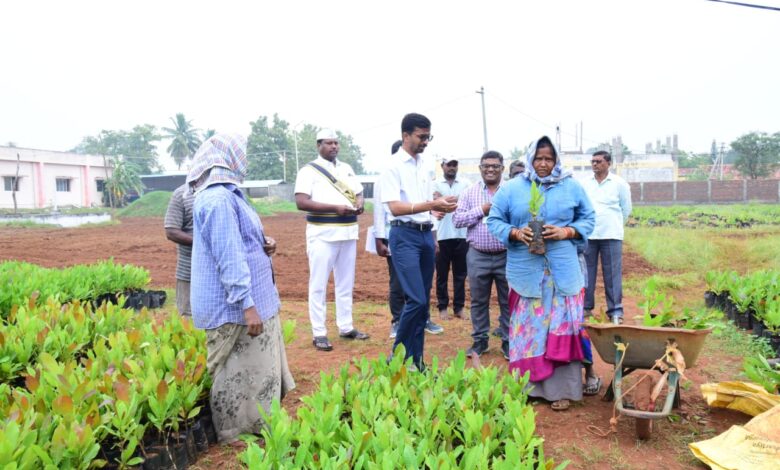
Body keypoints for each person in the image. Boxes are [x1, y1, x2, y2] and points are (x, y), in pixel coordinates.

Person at [187, 133, 294, 446]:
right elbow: (229, 257)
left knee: (257, 369)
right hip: (234, 306)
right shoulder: (217, 199)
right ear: (226, 158)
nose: (244, 159)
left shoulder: (228, 195)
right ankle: (233, 431)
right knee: (236, 372)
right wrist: (247, 305)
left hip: (253, 300)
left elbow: (242, 242)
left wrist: (265, 244)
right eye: (241, 153)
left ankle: (257, 423)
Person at [487, 135, 594, 411]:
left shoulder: (571, 186)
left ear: (556, 160)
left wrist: (567, 231)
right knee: (530, 330)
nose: (544, 164)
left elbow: (589, 218)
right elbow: (494, 219)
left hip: (563, 272)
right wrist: (514, 232)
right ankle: (528, 388)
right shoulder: (511, 189)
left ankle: (562, 390)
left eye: (549, 158)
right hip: (527, 274)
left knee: (561, 326)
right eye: (539, 158)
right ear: (530, 159)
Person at [379, 113, 457, 370]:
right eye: (422, 137)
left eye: (428, 136)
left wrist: (438, 211)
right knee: (416, 300)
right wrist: (431, 204)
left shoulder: (426, 164)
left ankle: (416, 360)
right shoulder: (392, 166)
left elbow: (427, 203)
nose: (426, 141)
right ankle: (397, 356)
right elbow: (396, 208)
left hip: (424, 235)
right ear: (406, 135)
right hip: (404, 236)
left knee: (422, 303)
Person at [294, 128, 369, 352]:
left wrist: (360, 202)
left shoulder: (346, 168)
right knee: (318, 285)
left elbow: (358, 192)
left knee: (345, 283)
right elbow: (301, 202)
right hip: (322, 234)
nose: (334, 146)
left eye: (336, 143)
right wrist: (335, 208)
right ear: (319, 145)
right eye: (329, 143)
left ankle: (346, 327)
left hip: (347, 232)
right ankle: (319, 332)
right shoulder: (308, 171)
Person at [453, 150, 510, 360]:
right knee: (478, 300)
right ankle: (480, 341)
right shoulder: (470, 193)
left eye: (495, 166)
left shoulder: (510, 191)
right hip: (478, 254)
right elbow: (457, 220)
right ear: (480, 168)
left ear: (502, 168)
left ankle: (508, 341)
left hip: (507, 255)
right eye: (486, 166)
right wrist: (481, 210)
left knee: (507, 300)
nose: (491, 169)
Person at [581, 150, 633, 323]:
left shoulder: (619, 184)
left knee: (612, 274)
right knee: (586, 273)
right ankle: (586, 308)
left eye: (599, 161)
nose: (595, 164)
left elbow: (626, 209)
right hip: (589, 235)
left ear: (608, 163)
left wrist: (615, 223)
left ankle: (615, 311)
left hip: (611, 234)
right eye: (593, 161)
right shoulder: (585, 183)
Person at [373, 140, 406, 338]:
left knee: (419, 282)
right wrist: (379, 238)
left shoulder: (417, 174)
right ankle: (397, 320)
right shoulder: (385, 176)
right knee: (397, 281)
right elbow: (378, 210)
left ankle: (422, 318)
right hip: (393, 235)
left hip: (418, 235)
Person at [432, 158, 469, 322]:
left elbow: (464, 203)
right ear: (442, 166)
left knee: (460, 274)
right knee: (441, 274)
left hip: (462, 235)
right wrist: (451, 200)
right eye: (449, 165)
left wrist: (444, 200)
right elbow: (434, 202)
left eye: (455, 165)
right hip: (441, 235)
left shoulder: (466, 184)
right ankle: (442, 307)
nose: (452, 168)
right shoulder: (434, 184)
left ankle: (459, 307)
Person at [164, 183, 195, 316]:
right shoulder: (182, 194)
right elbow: (171, 231)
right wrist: (203, 244)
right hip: (189, 271)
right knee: (189, 318)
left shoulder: (226, 192)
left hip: (221, 272)